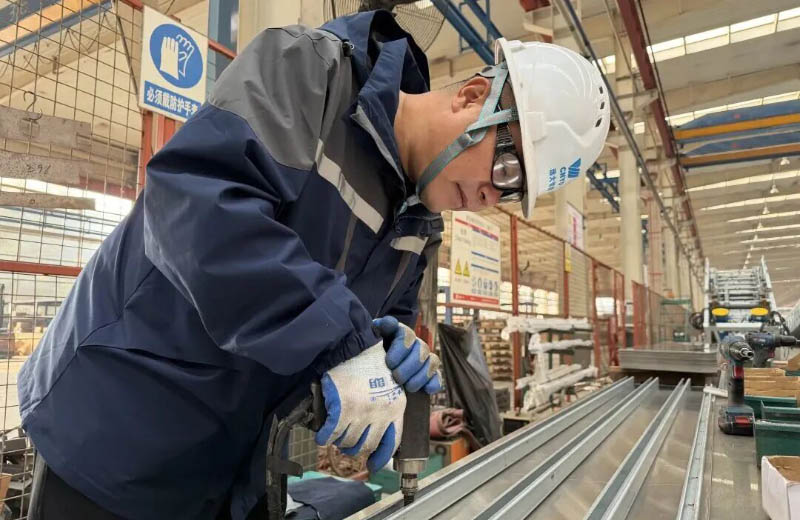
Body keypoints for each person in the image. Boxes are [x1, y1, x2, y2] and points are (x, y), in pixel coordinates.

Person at [18, 9, 609, 520]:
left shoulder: (418, 226)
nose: (489, 196)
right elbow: (199, 205)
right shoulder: (309, 74)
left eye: (511, 192)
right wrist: (343, 344)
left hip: (227, 462)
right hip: (118, 428)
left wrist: (390, 356)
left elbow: (361, 331)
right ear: (474, 96)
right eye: (506, 168)